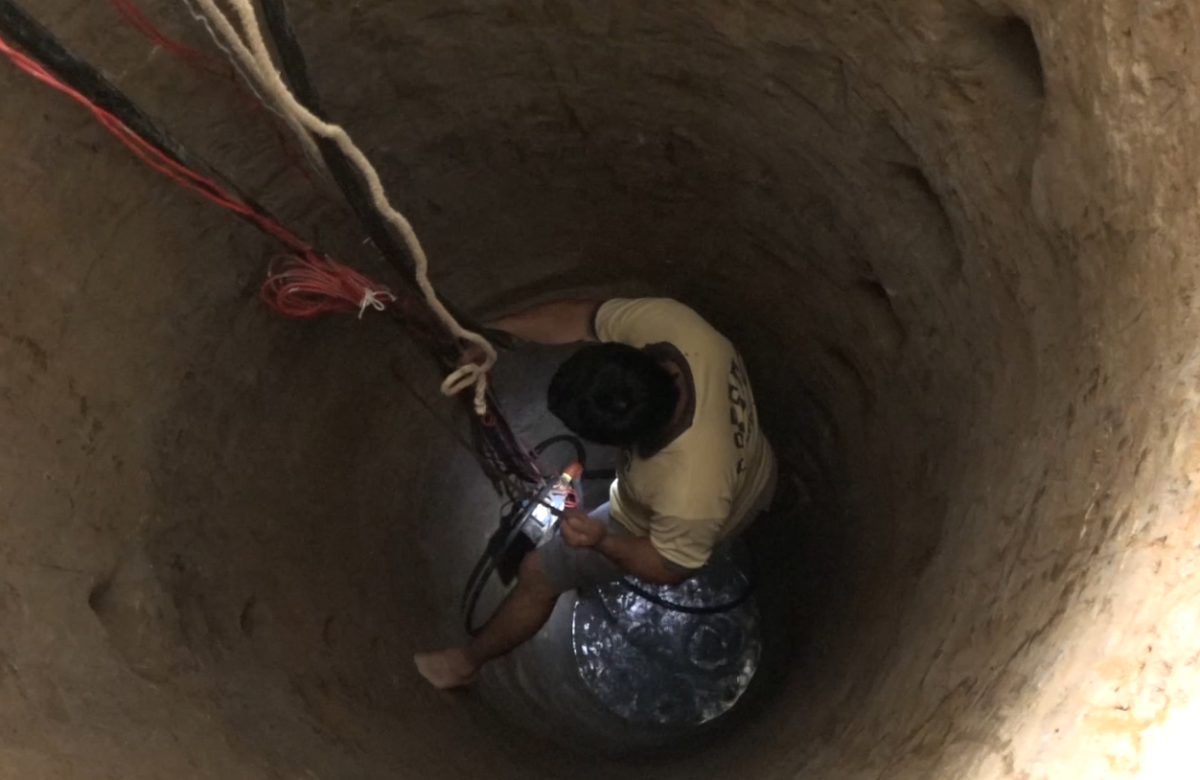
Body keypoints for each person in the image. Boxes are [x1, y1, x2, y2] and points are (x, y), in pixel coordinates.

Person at [414, 297, 776, 689]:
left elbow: (669, 566)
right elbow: (579, 316)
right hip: (757, 471)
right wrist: (491, 336)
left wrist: (602, 540)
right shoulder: (676, 328)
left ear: (632, 442)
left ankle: (464, 664)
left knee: (538, 573)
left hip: (673, 521)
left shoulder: (688, 489)